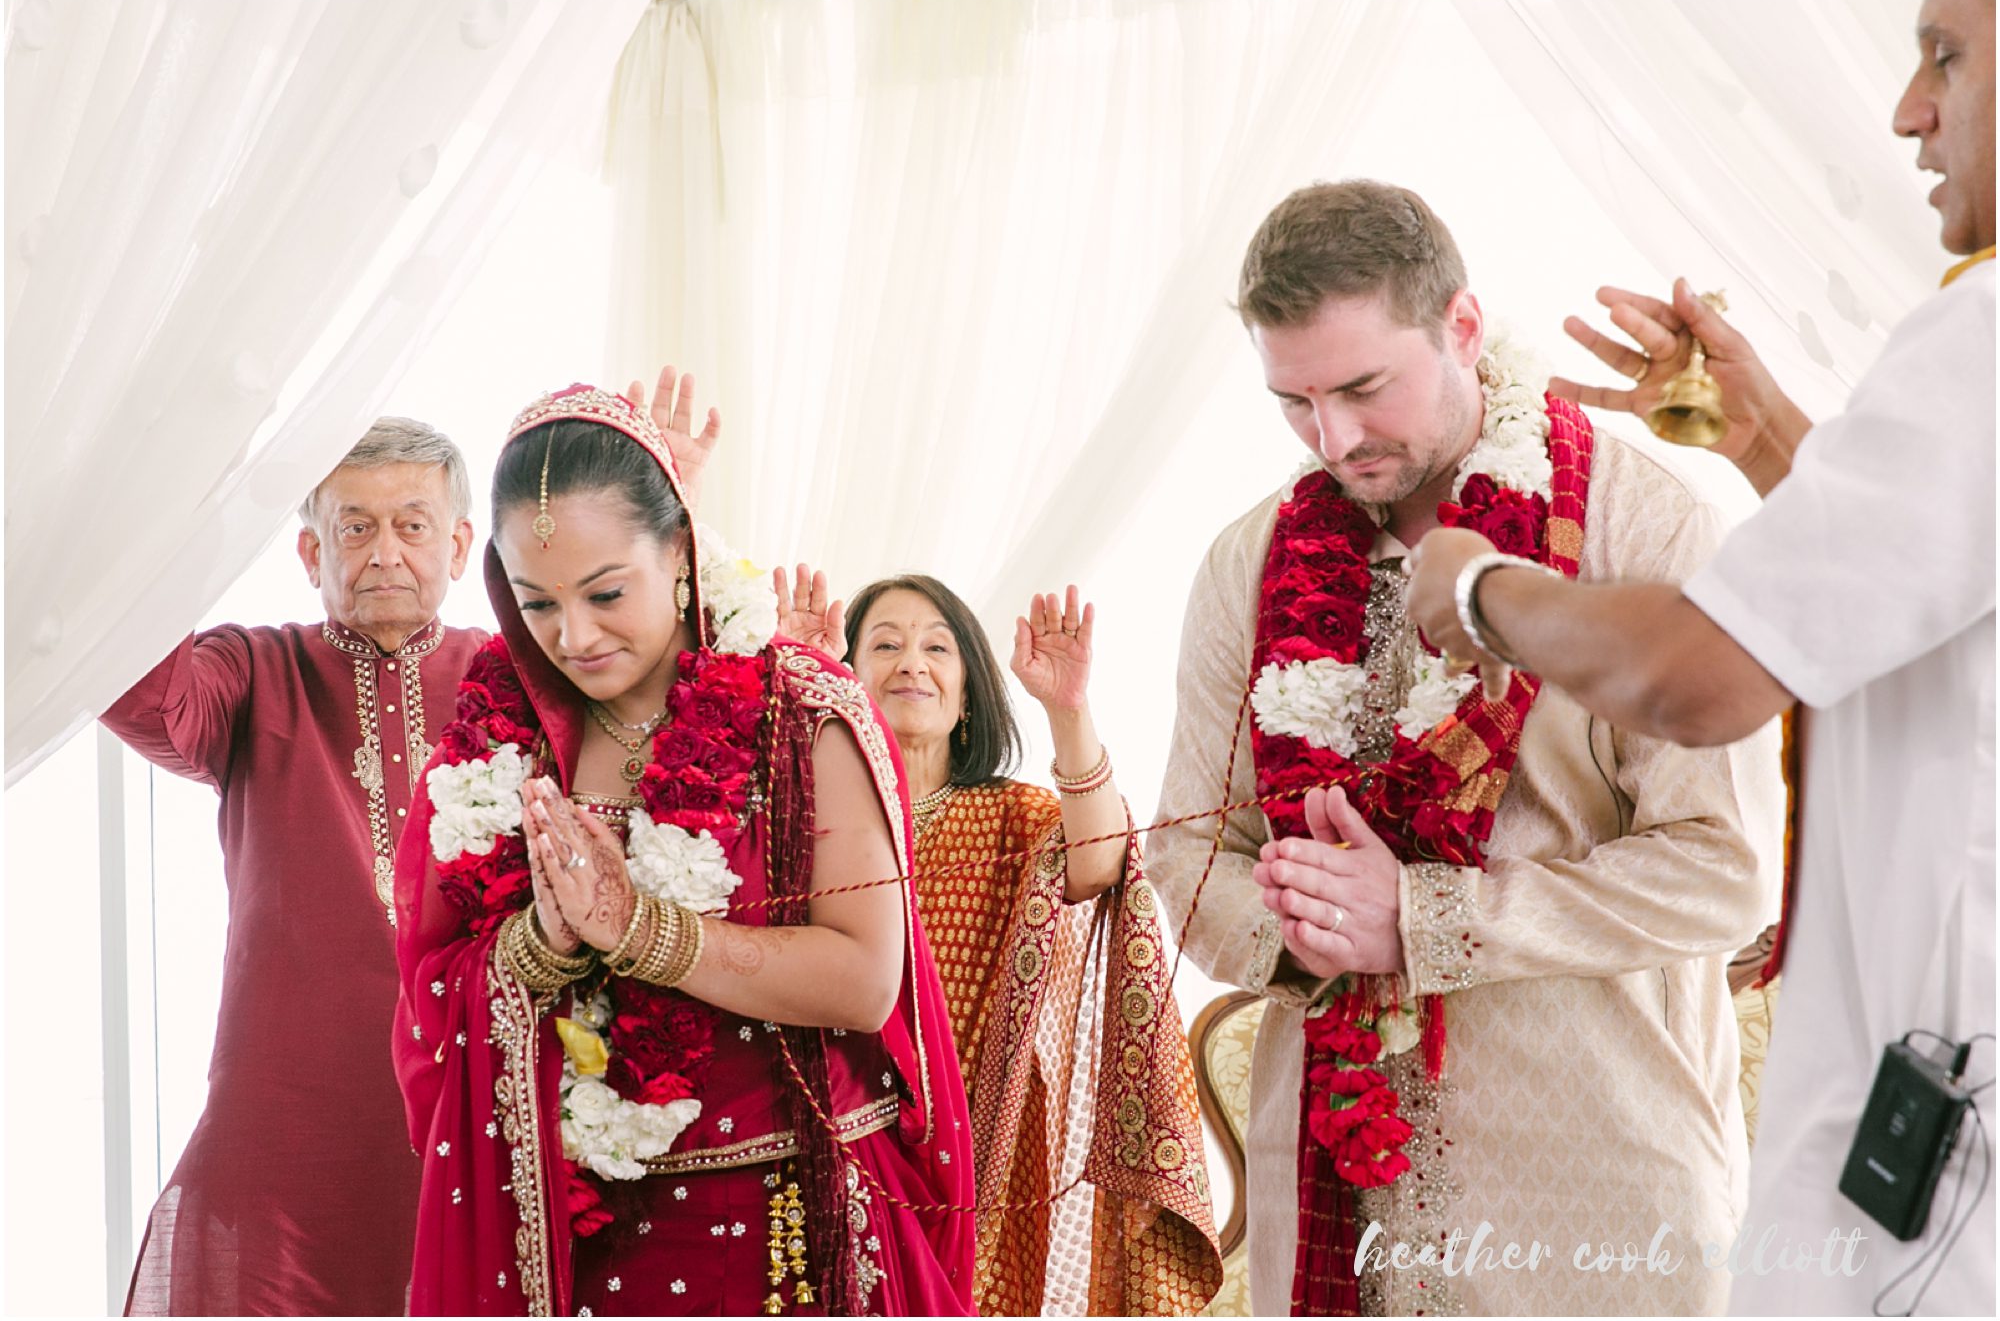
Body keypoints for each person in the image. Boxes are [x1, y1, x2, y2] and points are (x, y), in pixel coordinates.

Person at [1407, 0, 1995, 1313]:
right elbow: (1913, 602)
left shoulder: (1985, 333)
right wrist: (1762, 428)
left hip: (1941, 1157)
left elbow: (1701, 675)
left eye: (1949, 61)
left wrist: (1482, 588)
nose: (1908, 111)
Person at [1146, 179, 1788, 1315]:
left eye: (1360, 387)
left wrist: (1421, 919)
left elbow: (1723, 871)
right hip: (1338, 1196)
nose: (1332, 438)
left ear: (1461, 326)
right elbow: (1191, 856)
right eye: (1292, 400)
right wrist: (1313, 929)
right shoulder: (1245, 562)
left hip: (1597, 1193)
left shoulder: (1642, 525)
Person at [102, 373, 718, 1316]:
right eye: (355, 526)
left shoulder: (521, 672)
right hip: (290, 1117)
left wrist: (679, 523)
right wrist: (169, 507)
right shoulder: (252, 670)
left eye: (413, 524)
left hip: (483, 1095)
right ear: (309, 549)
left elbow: (671, 713)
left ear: (464, 546)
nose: (384, 550)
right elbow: (147, 694)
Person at [392, 385, 973, 1317]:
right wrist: (543, 939)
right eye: (536, 601)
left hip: (796, 1232)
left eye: (607, 592)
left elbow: (866, 975)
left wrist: (640, 929)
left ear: (681, 550)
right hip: (589, 1250)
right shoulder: (496, 753)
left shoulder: (802, 714)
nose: (573, 636)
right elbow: (433, 987)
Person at [772, 570, 1224, 1314]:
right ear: (849, 679)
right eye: (883, 644)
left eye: (936, 647)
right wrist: (797, 681)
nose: (910, 661)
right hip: (831, 1138)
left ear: (967, 693)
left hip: (979, 1155)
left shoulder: (1014, 816)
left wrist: (1068, 709)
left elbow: (1102, 864)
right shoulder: (801, 820)